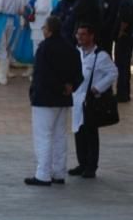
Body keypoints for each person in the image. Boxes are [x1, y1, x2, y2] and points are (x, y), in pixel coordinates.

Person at [26, 16, 83, 186]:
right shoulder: (70, 48)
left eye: (44, 27)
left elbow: (42, 75)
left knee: (43, 136)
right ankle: (59, 172)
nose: (43, 30)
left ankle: (43, 173)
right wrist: (70, 86)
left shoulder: (45, 48)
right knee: (59, 136)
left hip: (45, 98)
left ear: (49, 30)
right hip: (63, 99)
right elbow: (78, 73)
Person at [69, 24, 118, 180]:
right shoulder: (76, 53)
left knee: (90, 132)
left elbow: (113, 73)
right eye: (78, 34)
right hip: (77, 98)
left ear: (91, 36)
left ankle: (91, 166)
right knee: (78, 131)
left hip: (90, 100)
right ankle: (82, 163)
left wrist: (98, 88)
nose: (80, 37)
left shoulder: (100, 55)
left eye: (83, 34)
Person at [113, 0, 133, 103]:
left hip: (125, 38)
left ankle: (122, 94)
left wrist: (119, 33)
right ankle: (125, 93)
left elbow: (125, 20)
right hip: (131, 36)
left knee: (122, 66)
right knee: (125, 65)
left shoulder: (125, 2)